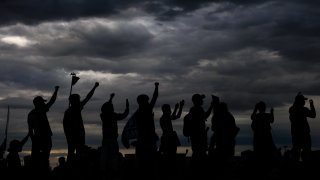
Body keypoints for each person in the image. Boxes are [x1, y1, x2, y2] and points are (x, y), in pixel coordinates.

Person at [63, 82, 99, 164]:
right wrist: (94, 87)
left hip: (75, 136)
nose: (79, 101)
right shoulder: (72, 110)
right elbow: (88, 97)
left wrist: (94, 87)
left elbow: (88, 97)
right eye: (78, 99)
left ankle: (73, 167)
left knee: (74, 153)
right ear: (74, 101)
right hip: (76, 135)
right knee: (75, 153)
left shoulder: (69, 111)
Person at [28, 86, 59, 167]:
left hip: (37, 138)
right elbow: (52, 101)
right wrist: (56, 91)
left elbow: (30, 130)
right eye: (42, 102)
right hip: (44, 137)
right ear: (39, 103)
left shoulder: (31, 114)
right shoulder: (41, 110)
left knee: (36, 159)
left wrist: (33, 140)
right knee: (44, 158)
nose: (44, 103)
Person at [100, 93, 129, 179]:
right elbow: (124, 115)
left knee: (104, 158)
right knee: (113, 158)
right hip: (112, 140)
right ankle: (114, 173)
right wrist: (127, 107)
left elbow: (107, 107)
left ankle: (104, 173)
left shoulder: (103, 115)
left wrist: (110, 99)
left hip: (105, 140)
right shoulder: (113, 115)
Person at [135, 82, 159, 179]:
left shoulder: (138, 113)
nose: (149, 102)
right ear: (144, 102)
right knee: (150, 161)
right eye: (147, 100)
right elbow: (155, 96)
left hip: (141, 140)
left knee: (143, 161)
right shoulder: (147, 109)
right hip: (148, 140)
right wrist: (156, 86)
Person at [187, 93, 214, 175]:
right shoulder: (197, 109)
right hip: (199, 137)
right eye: (201, 100)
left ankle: (196, 171)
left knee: (197, 154)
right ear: (198, 101)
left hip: (196, 136)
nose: (202, 101)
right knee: (200, 154)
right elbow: (205, 116)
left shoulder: (194, 109)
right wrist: (211, 106)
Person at [159, 100, 184, 175]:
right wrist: (180, 107)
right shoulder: (165, 118)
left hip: (167, 139)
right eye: (169, 109)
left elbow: (173, 116)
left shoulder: (164, 118)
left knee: (169, 157)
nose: (170, 110)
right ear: (166, 110)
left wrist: (176, 108)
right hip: (169, 140)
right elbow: (176, 116)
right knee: (171, 158)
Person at [289, 92, 316, 161]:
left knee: (296, 153)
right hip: (304, 134)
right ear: (300, 101)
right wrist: (311, 105)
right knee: (306, 153)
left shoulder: (292, 109)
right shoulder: (303, 110)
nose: (304, 102)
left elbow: (293, 108)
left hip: (295, 134)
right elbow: (313, 115)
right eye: (303, 100)